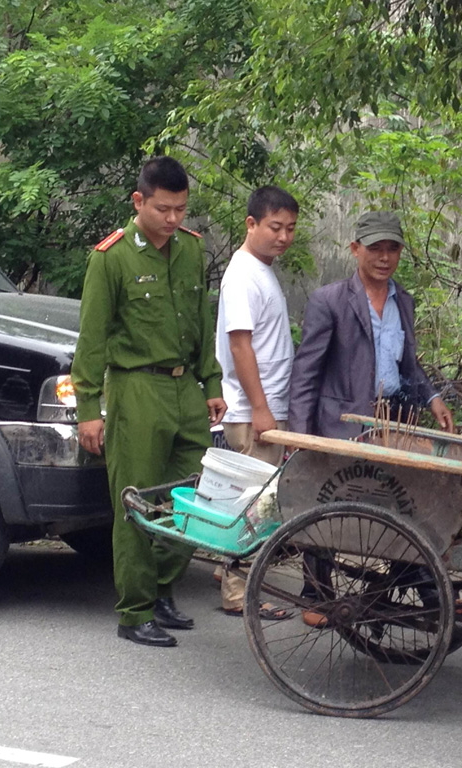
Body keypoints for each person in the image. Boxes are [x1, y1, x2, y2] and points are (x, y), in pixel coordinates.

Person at [72, 156, 226, 648]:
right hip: (136, 388)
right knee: (136, 500)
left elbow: (202, 322)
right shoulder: (111, 258)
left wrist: (213, 381)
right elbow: (91, 341)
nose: (174, 219)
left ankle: (162, 590)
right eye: (164, 209)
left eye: (181, 209)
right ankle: (134, 610)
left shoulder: (190, 251)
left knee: (195, 497)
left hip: (186, 389)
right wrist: (89, 411)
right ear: (139, 201)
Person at [288, 210, 453, 438]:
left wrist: (432, 397)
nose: (384, 258)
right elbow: (306, 375)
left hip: (393, 426)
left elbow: (406, 363)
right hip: (342, 428)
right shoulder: (329, 301)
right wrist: (299, 436)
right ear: (356, 249)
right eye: (375, 248)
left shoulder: (403, 301)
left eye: (392, 249)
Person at [214, 185, 298, 619]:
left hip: (265, 406)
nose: (283, 237)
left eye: (290, 229)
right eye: (274, 227)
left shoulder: (262, 269)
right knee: (256, 500)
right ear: (251, 224)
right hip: (252, 411)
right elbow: (241, 346)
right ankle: (237, 589)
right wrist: (261, 408)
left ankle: (230, 571)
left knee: (252, 497)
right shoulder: (243, 274)